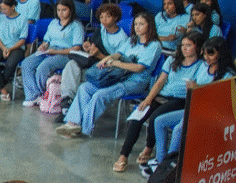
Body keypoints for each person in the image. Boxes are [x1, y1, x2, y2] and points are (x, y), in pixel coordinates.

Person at [57, 10, 161, 138]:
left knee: (100, 95)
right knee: (85, 88)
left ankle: (83, 129)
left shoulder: (154, 45)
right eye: (136, 24)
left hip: (135, 81)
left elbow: (139, 68)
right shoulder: (131, 40)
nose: (137, 27)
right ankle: (72, 123)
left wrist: (115, 64)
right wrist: (106, 59)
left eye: (141, 24)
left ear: (149, 26)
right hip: (118, 76)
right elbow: (117, 54)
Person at [114, 32, 204, 172]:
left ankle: (149, 147)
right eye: (183, 45)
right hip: (162, 95)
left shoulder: (201, 65)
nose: (184, 48)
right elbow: (160, 81)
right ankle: (123, 155)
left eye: (189, 45)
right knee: (138, 115)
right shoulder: (173, 60)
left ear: (197, 47)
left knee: (156, 116)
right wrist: (148, 99)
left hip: (180, 100)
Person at [147, 35, 235, 171]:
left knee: (178, 130)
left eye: (211, 54)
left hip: (210, 115)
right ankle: (160, 160)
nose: (207, 57)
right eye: (205, 54)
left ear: (221, 54)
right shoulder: (204, 67)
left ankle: (168, 168)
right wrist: (193, 89)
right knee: (159, 121)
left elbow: (220, 104)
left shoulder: (227, 76)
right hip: (195, 107)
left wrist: (198, 90)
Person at [20, 0, 85, 106]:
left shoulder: (76, 26)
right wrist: (43, 46)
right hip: (50, 50)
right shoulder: (54, 23)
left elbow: (76, 48)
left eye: (64, 10)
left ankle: (42, 94)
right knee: (27, 63)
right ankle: (33, 95)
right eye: (59, 10)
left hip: (65, 54)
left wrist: (55, 52)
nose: (61, 13)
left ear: (71, 10)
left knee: (43, 67)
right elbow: (47, 40)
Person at [0, 0, 28, 101]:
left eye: (5, 9)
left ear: (13, 7)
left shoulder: (22, 19)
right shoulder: (1, 18)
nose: (2, 11)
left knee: (11, 64)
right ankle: (2, 89)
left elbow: (22, 40)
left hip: (16, 47)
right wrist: (3, 48)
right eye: (1, 8)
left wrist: (9, 49)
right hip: (1, 45)